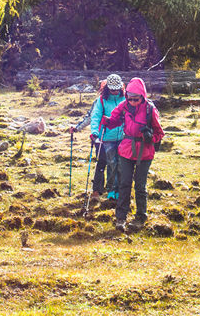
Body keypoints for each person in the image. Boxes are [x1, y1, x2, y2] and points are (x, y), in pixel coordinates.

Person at [100, 77, 164, 232]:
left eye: (136, 99)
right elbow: (114, 120)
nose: (133, 102)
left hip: (145, 151)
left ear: (143, 96)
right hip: (126, 150)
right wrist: (106, 121)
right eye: (130, 99)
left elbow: (159, 133)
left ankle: (140, 217)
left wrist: (151, 137)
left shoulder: (150, 109)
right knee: (124, 184)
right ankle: (121, 218)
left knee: (140, 186)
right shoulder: (124, 106)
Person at [70, 74, 125, 202]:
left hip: (122, 137)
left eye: (117, 89)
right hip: (104, 138)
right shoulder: (101, 101)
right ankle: (101, 190)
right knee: (105, 163)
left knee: (119, 164)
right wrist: (93, 132)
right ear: (107, 88)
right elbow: (93, 117)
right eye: (112, 89)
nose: (115, 91)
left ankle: (116, 190)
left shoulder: (125, 99)